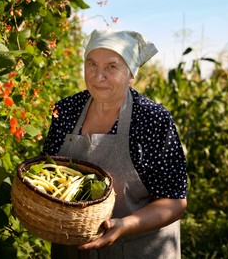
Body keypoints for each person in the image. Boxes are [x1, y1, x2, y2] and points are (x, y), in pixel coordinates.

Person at [42, 29, 188, 259]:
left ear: (131, 75)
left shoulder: (151, 119)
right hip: (72, 248)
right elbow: (46, 171)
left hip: (138, 248)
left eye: (111, 66)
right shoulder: (67, 110)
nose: (98, 76)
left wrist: (124, 225)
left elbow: (174, 201)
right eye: (91, 64)